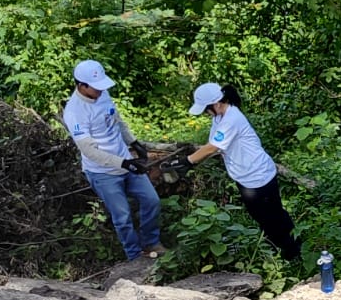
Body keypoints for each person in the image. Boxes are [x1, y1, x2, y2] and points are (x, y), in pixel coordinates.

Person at [166, 83, 302, 261]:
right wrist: (190, 160)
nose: (207, 114)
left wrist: (187, 161)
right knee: (263, 216)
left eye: (207, 109)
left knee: (273, 217)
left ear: (216, 104)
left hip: (258, 176)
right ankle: (276, 247)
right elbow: (213, 146)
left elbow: (212, 147)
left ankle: (292, 252)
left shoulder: (232, 119)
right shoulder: (219, 118)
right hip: (245, 176)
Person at [61, 59, 163, 261]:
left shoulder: (102, 93)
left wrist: (134, 143)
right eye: (96, 88)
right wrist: (124, 164)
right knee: (122, 217)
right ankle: (134, 257)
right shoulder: (74, 112)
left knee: (152, 200)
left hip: (125, 159)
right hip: (102, 172)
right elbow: (90, 152)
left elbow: (115, 119)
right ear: (82, 85)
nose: (100, 91)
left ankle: (151, 242)